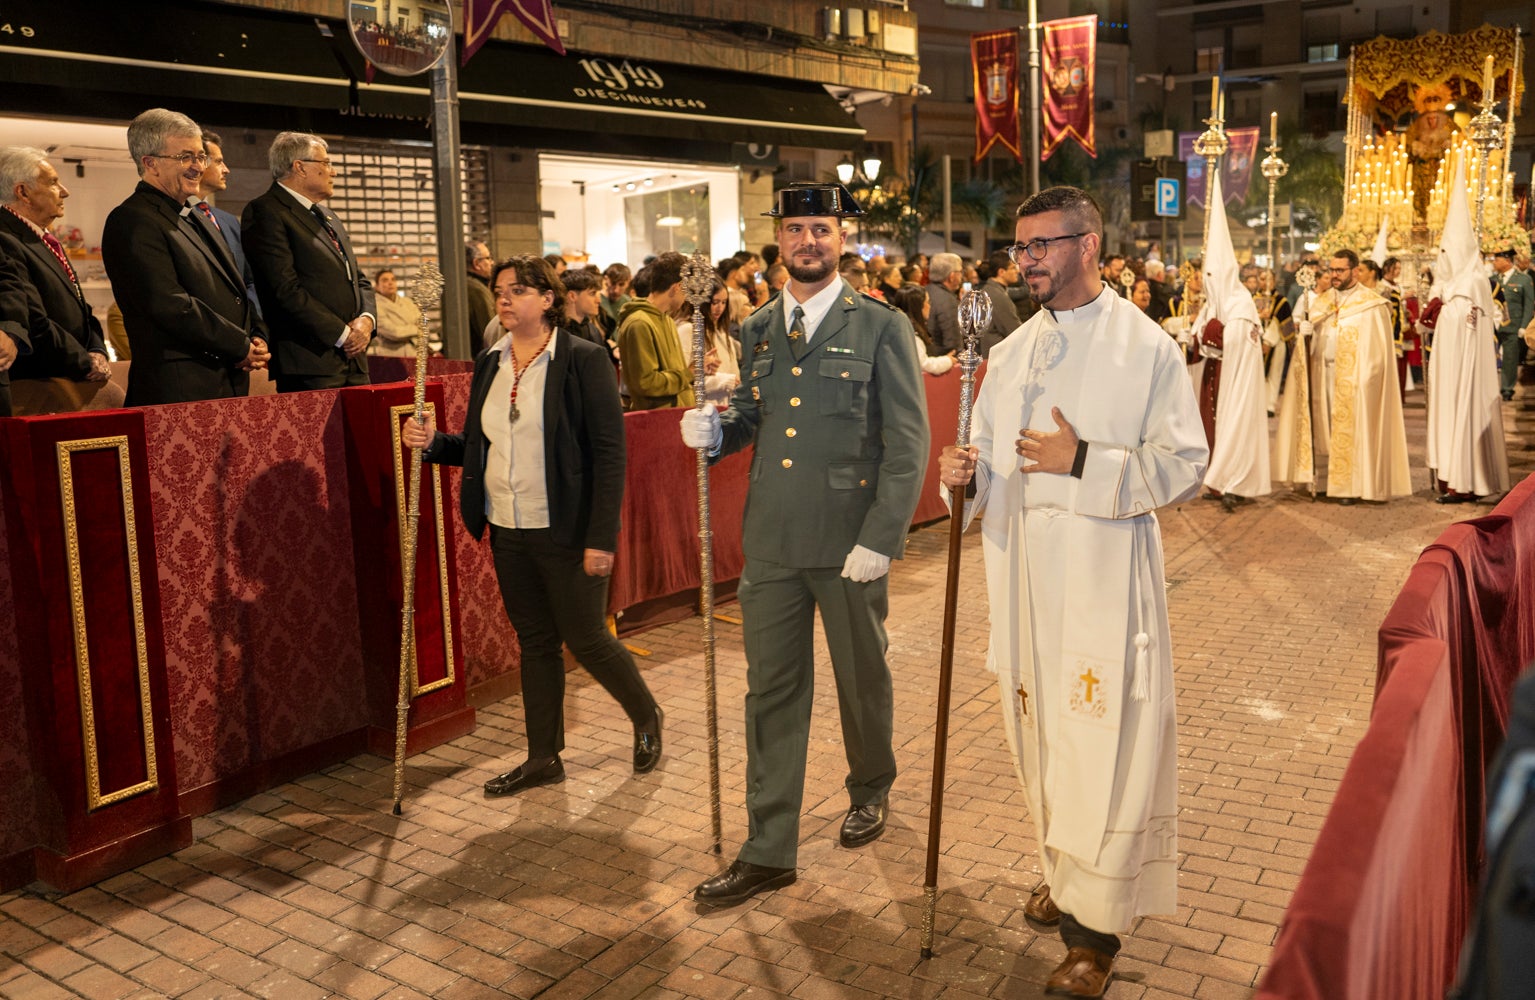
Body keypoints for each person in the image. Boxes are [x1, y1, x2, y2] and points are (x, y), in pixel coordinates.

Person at [937, 186, 1207, 998]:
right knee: (1042, 739)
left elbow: (1186, 466)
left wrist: (1081, 459)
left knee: (1100, 745)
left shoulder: (1145, 346)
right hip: (1024, 579)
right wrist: (964, 477)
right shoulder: (1012, 351)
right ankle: (1063, 873)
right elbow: (987, 465)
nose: (1025, 261)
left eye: (1041, 245)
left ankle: (1093, 935)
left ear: (1088, 245)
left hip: (1102, 583)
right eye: (1019, 248)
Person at [680, 182, 929, 907]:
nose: (808, 241)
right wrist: (715, 433)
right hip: (774, 542)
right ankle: (768, 849)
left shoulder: (880, 325)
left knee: (861, 678)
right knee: (771, 692)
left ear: (841, 239)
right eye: (795, 229)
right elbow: (753, 416)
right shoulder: (759, 327)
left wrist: (881, 536)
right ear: (780, 240)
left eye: (821, 228)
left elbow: (907, 442)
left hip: (851, 542)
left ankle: (870, 786)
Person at [400, 255, 662, 794]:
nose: (504, 297)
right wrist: (433, 443)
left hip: (566, 526)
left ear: (548, 299)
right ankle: (544, 757)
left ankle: (645, 714)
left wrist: (600, 537)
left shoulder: (583, 360)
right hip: (508, 526)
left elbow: (609, 454)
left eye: (518, 289)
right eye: (500, 289)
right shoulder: (490, 361)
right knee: (537, 642)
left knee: (586, 637)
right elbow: (480, 446)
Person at [102, 109, 268, 405]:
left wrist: (257, 334)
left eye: (201, 156)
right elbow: (169, 304)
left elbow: (237, 288)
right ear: (150, 163)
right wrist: (239, 344)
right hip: (179, 390)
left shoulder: (196, 216)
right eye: (185, 157)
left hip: (226, 378)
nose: (198, 167)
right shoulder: (132, 220)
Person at [242, 131, 375, 392]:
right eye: (325, 163)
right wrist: (343, 334)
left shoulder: (328, 216)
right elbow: (284, 289)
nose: (333, 171)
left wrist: (367, 321)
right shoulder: (266, 211)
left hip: (354, 358)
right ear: (299, 167)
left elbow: (357, 278)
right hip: (310, 362)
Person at [1427, 166, 1509, 503]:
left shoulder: (1473, 282)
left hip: (1466, 372)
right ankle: (1450, 477)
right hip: (1448, 369)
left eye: (1447, 252)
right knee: (1447, 416)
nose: (1442, 258)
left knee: (1463, 416)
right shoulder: (1449, 285)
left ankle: (1465, 482)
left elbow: (1472, 327)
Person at [1190, 172, 1270, 510]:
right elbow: (1199, 339)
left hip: (1234, 381)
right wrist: (1200, 335)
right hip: (1214, 378)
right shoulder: (1213, 304)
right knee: (1211, 428)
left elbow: (1231, 343)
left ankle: (1233, 481)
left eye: (1212, 276)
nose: (1208, 282)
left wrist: (1212, 335)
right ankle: (1216, 481)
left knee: (1233, 427)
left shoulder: (1241, 305)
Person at [0, 146, 111, 385]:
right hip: (41, 381)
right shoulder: (5, 238)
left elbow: (80, 306)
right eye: (53, 182)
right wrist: (84, 362)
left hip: (65, 374)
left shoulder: (43, 237)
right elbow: (33, 319)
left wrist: (97, 350)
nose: (64, 192)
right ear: (23, 192)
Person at [1314, 249, 1411, 504]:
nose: (1334, 275)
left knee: (1352, 432)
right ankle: (1325, 482)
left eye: (1340, 270)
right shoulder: (1322, 301)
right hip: (1324, 375)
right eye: (1331, 270)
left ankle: (1350, 487)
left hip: (1354, 380)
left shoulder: (1371, 305)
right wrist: (1306, 334)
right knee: (1326, 430)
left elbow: (1378, 351)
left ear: (1355, 271)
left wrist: (1367, 377)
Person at [615, 251, 694, 410]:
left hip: (676, 416)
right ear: (677, 287)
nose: (687, 297)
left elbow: (675, 373)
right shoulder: (639, 323)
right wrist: (688, 374)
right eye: (687, 290)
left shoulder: (667, 319)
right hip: (655, 420)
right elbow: (646, 383)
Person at [196, 131, 261, 315]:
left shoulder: (229, 221)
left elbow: (248, 279)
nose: (226, 169)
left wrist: (255, 324)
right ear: (199, 163)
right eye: (218, 162)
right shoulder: (180, 218)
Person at [674, 275, 739, 406]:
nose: (720, 308)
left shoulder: (722, 334)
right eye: (715, 302)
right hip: (699, 409)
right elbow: (683, 380)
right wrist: (724, 381)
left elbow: (735, 376)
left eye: (724, 302)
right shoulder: (687, 330)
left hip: (725, 409)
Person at [1492, 249, 1534, 401]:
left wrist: (1524, 326)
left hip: (1513, 326)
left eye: (1497, 260)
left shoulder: (1523, 279)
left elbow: (1528, 304)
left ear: (1507, 261)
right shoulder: (1492, 280)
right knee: (1491, 357)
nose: (1494, 263)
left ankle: (1507, 389)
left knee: (1510, 359)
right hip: (1494, 326)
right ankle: (1491, 388)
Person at [893, 284, 955, 375]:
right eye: (928, 302)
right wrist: (947, 361)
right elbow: (923, 364)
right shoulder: (910, 333)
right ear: (918, 306)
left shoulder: (900, 327)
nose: (930, 306)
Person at [367, 269, 424, 357]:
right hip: (390, 356)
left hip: (414, 353)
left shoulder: (408, 302)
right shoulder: (374, 306)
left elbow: (423, 325)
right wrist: (416, 329)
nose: (390, 283)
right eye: (385, 280)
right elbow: (394, 333)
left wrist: (407, 330)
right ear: (377, 286)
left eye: (393, 279)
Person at [978, 249, 1023, 357]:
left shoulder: (990, 290)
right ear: (1001, 272)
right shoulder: (997, 295)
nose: (1017, 271)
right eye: (1013, 268)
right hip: (998, 356)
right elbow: (1014, 330)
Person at [926, 252, 965, 355]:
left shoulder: (925, 291)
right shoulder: (947, 300)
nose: (961, 277)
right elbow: (953, 342)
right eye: (960, 272)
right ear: (952, 276)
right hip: (943, 358)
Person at [466, 241, 496, 349]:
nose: (492, 262)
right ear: (476, 264)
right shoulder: (477, 289)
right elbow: (492, 333)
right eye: (488, 258)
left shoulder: (461, 285)